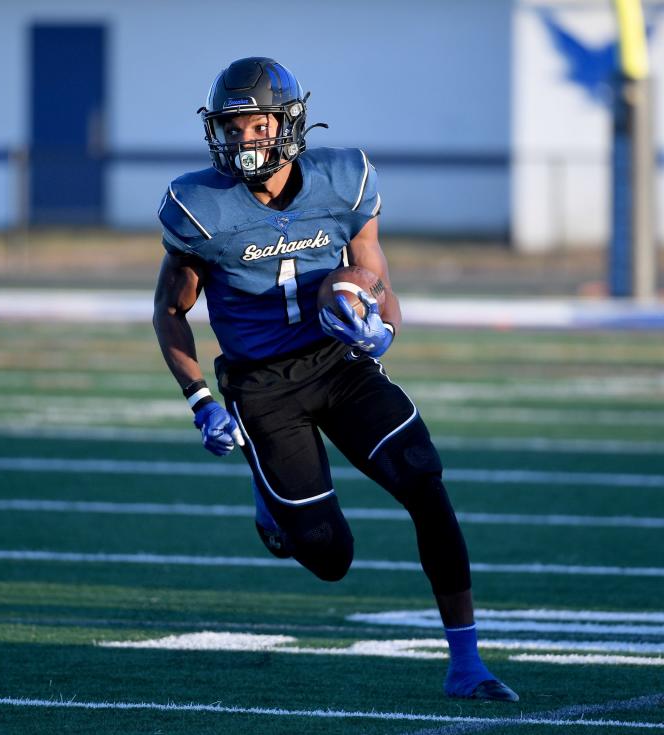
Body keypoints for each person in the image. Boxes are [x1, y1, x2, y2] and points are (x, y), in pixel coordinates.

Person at [152, 57, 518, 702]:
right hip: (262, 385)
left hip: (339, 363)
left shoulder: (344, 180)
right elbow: (171, 310)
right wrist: (200, 398)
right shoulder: (198, 206)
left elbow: (375, 278)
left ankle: (468, 663)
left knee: (424, 481)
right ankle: (271, 498)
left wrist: (381, 331)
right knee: (329, 557)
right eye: (232, 127)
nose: (244, 140)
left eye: (256, 124)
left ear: (288, 123)